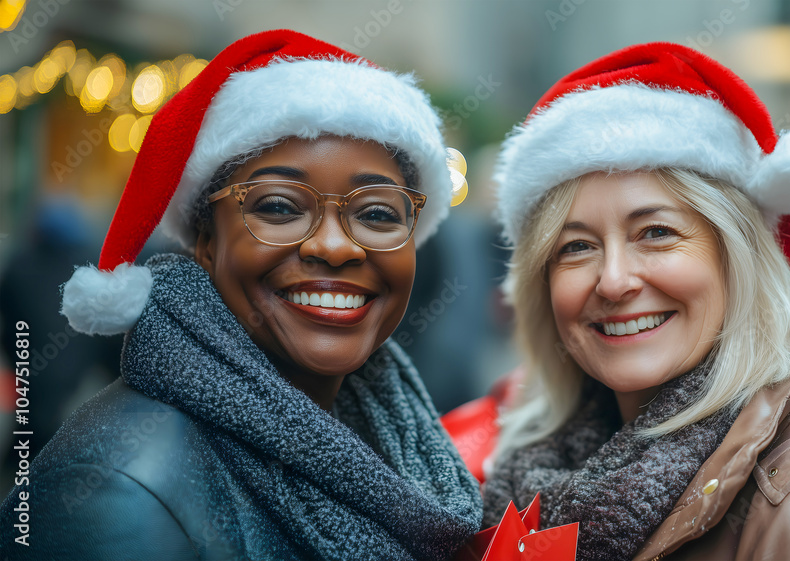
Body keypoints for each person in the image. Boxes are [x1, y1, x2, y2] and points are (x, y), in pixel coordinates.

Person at [0, 30, 481, 560]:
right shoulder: (115, 490)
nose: (336, 246)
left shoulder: (397, 435)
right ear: (206, 243)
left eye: (376, 213)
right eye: (278, 207)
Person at [478, 43, 790, 560]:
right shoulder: (517, 466)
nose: (613, 281)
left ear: (737, 259)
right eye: (576, 247)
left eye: (656, 232)